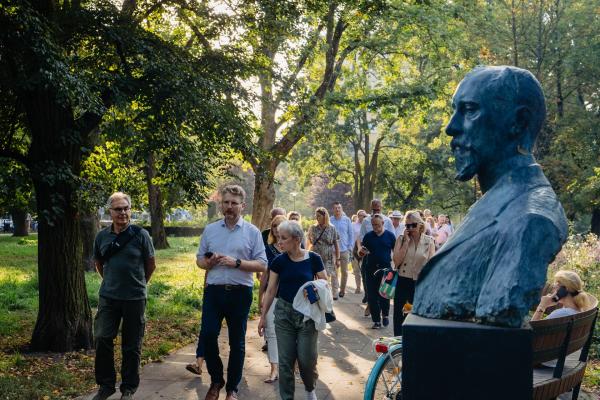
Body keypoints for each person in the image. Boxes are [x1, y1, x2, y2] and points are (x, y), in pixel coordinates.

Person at [413, 66, 568, 328]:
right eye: (455, 110)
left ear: (518, 122)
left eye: (470, 110)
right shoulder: (496, 204)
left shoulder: (530, 220)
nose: (451, 128)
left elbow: (499, 306)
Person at [196, 185, 267, 400]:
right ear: (221, 204)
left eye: (234, 203)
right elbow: (199, 261)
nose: (229, 207)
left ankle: (232, 388)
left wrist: (237, 263)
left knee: (237, 342)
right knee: (208, 336)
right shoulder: (210, 230)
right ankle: (216, 379)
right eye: (226, 202)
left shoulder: (252, 232)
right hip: (214, 292)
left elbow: (262, 264)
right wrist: (208, 262)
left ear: (242, 206)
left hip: (240, 293)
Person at [92, 192, 156, 400]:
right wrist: (111, 282)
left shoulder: (141, 235)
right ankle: (106, 385)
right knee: (102, 338)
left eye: (126, 208)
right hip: (108, 297)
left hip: (135, 298)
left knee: (131, 345)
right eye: (118, 209)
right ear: (110, 212)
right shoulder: (102, 236)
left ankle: (128, 388)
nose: (123, 213)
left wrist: (136, 284)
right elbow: (99, 264)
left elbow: (151, 264)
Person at [258, 220, 328, 400]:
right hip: (284, 314)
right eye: (278, 237)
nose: (279, 242)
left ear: (297, 239)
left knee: (306, 360)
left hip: (307, 315)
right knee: (285, 362)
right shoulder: (278, 261)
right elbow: (271, 289)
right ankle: (287, 397)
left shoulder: (313, 259)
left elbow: (324, 284)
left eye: (284, 238)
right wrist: (263, 316)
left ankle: (310, 388)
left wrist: (314, 288)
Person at [392, 211, 435, 335]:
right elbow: (396, 261)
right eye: (407, 226)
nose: (410, 228)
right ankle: (399, 345)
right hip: (403, 280)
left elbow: (431, 265)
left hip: (419, 282)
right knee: (399, 315)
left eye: (413, 225)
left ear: (420, 225)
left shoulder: (429, 241)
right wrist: (406, 242)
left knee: (416, 315)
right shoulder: (401, 239)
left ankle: (414, 342)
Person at [258, 215, 287, 384]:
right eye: (274, 225)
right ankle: (274, 368)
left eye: (280, 225)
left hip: (290, 296)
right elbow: (265, 275)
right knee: (271, 332)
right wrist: (260, 297)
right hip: (272, 294)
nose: (276, 228)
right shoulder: (268, 249)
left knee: (289, 333)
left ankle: (291, 363)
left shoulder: (294, 246)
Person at [359, 214, 396, 329]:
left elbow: (395, 252)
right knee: (372, 296)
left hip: (386, 269)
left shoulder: (390, 236)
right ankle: (376, 321)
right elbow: (361, 253)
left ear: (383, 224)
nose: (375, 227)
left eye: (377, 225)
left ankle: (385, 315)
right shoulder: (368, 236)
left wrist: (396, 267)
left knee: (384, 294)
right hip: (370, 269)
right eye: (373, 225)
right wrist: (362, 252)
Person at [307, 207, 341, 299]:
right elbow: (309, 241)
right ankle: (315, 296)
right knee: (314, 277)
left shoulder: (331, 228)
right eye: (316, 216)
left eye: (319, 216)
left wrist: (338, 259)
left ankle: (331, 295)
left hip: (328, 257)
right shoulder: (313, 228)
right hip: (315, 256)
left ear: (325, 216)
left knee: (328, 277)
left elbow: (336, 244)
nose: (317, 218)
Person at [330, 202, 354, 298]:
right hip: (333, 251)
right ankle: (334, 292)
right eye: (335, 208)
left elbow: (351, 235)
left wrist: (349, 248)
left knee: (344, 272)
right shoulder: (330, 220)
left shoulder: (347, 220)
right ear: (333, 210)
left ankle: (342, 290)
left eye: (339, 208)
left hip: (344, 250)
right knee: (334, 272)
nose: (337, 210)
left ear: (342, 209)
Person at [351, 210, 367, 294]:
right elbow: (351, 237)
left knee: (364, 269)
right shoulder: (353, 225)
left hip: (365, 249)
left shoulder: (368, 225)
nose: (363, 217)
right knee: (356, 269)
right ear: (358, 216)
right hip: (355, 248)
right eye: (362, 216)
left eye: (365, 216)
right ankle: (358, 287)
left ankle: (365, 287)